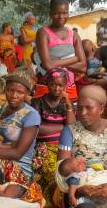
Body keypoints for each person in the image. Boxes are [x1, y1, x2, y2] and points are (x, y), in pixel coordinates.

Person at [31, 68, 75, 199]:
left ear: (65, 85)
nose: (57, 88)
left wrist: (68, 104)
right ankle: (51, 199)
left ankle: (65, 199)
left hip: (64, 146)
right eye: (53, 84)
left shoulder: (66, 104)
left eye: (61, 85)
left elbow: (72, 126)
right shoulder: (38, 102)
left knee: (72, 171)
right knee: (52, 172)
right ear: (47, 83)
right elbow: (37, 128)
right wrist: (63, 128)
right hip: (44, 146)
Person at [0, 68, 41, 186]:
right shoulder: (5, 107)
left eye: (20, 92)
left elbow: (18, 153)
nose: (14, 95)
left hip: (19, 168)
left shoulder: (31, 115)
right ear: (5, 89)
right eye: (10, 90)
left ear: (27, 94)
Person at [34, 0, 87, 99]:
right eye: (56, 13)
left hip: (69, 88)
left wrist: (57, 62)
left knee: (70, 113)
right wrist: (75, 59)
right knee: (44, 114)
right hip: (47, 88)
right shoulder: (43, 33)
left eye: (64, 13)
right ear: (50, 14)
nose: (61, 16)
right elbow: (47, 65)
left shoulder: (73, 35)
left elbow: (83, 66)